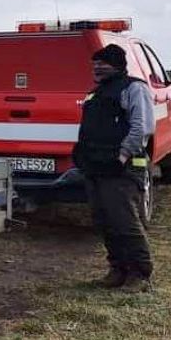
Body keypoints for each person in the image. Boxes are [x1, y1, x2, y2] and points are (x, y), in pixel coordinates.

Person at [72, 44, 154, 292]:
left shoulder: (134, 88)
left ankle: (139, 274)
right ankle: (118, 269)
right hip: (95, 167)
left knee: (124, 221)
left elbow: (142, 127)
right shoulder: (96, 93)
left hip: (121, 168)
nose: (97, 69)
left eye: (102, 64)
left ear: (117, 65)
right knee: (104, 221)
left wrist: (122, 155)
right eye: (94, 64)